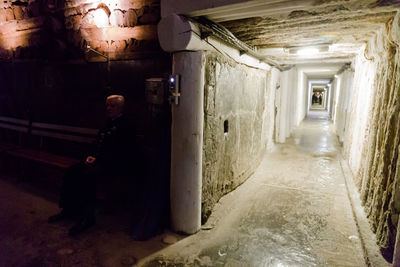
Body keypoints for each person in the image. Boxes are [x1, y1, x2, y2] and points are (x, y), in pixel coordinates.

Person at [48, 95, 136, 236]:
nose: (108, 108)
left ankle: (87, 218)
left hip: (115, 165)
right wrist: (91, 155)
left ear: (120, 108)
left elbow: (122, 151)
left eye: (112, 105)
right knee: (72, 171)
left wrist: (98, 159)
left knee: (87, 177)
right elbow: (98, 143)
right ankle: (68, 209)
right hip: (100, 161)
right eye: (107, 105)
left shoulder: (126, 125)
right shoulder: (108, 122)